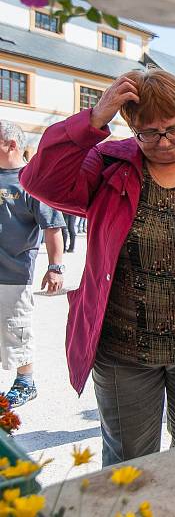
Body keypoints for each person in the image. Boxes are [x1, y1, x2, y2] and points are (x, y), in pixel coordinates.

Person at [21, 69, 175, 465]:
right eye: (150, 133)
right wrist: (93, 121)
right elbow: (41, 180)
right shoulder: (109, 167)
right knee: (128, 464)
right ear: (132, 128)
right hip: (123, 352)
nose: (166, 142)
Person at [0, 120, 65, 407]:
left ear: (11, 145)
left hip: (15, 273)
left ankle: (26, 382)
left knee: (16, 326)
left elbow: (52, 228)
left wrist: (55, 267)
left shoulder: (32, 181)